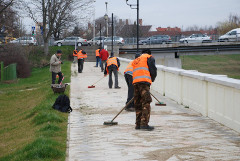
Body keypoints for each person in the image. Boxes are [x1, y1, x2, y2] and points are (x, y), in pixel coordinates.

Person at [132, 49, 157, 131]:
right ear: (149, 53)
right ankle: (144, 124)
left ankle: (138, 124)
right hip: (144, 82)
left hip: (135, 83)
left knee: (138, 103)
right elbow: (153, 71)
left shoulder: (136, 60)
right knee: (146, 101)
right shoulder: (149, 57)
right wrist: (151, 80)